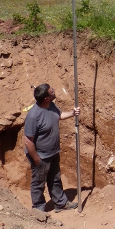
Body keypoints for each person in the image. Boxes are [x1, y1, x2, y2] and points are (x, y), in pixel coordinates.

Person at [23, 83, 80, 212]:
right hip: (41, 156)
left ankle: (60, 203)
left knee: (55, 179)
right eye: (52, 91)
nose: (54, 91)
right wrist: (36, 159)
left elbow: (58, 115)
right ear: (46, 98)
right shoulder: (33, 116)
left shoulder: (51, 106)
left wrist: (73, 113)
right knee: (38, 183)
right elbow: (28, 141)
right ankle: (38, 210)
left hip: (53, 153)